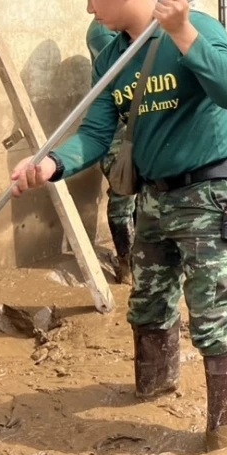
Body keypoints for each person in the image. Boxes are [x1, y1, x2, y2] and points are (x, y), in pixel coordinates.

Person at [11, 0, 227, 451]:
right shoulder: (111, 56)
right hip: (153, 198)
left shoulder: (198, 28)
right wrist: (51, 164)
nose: (89, 8)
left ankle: (225, 438)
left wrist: (183, 32)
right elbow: (96, 134)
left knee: (212, 314)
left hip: (209, 191)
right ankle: (155, 389)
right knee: (147, 304)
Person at [87, 21, 133, 284]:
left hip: (133, 131)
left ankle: (140, 260)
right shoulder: (103, 32)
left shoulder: (122, 30)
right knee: (122, 194)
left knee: (141, 195)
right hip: (116, 134)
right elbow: (129, 70)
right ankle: (126, 264)